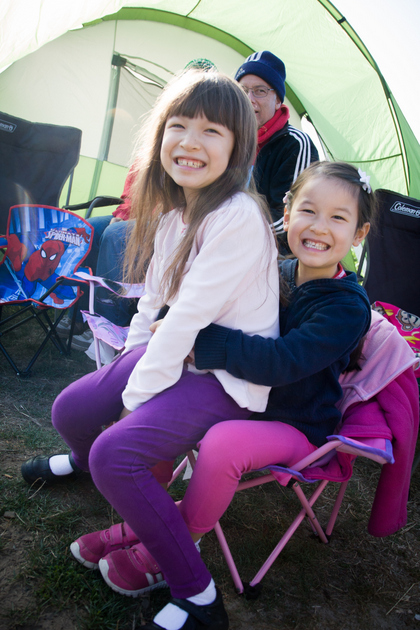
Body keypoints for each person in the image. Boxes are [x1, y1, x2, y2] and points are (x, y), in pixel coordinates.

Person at [21, 69, 280, 630]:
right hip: (182, 356)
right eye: (178, 126)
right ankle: (108, 474)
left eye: (211, 130)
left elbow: (185, 320)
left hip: (227, 378)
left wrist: (133, 402)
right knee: (71, 409)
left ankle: (199, 596)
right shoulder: (173, 213)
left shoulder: (236, 215)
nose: (189, 141)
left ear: (238, 145)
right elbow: (151, 305)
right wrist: (126, 368)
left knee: (116, 452)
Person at [61, 161, 375, 615]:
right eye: (308, 210)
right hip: (239, 393)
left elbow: (283, 363)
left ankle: (173, 546)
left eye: (338, 218)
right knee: (166, 401)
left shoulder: (346, 307)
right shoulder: (278, 268)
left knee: (221, 443)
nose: (318, 227)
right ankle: (146, 521)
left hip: (293, 420)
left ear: (359, 233)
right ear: (287, 210)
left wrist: (201, 341)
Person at [235, 50, 319, 253]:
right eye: (242, 90)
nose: (249, 98)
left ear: (278, 101)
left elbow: (289, 216)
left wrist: (230, 235)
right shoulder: (230, 142)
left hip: (274, 258)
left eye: (260, 91)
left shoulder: (294, 144)